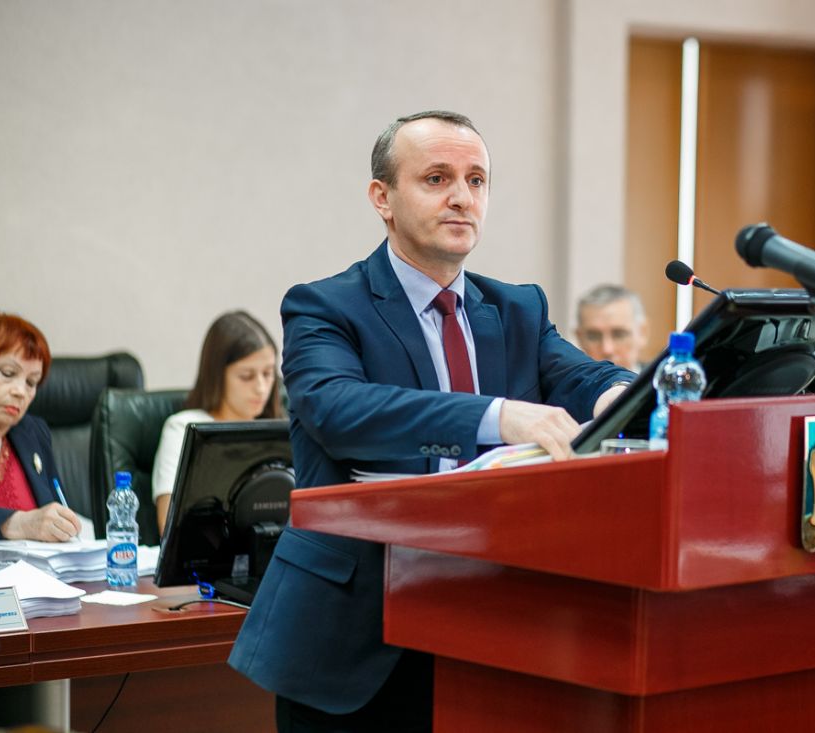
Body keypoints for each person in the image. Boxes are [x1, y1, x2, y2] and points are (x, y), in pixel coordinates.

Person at [228, 110, 635, 733]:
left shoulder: (517, 307)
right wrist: (498, 417)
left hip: (493, 623)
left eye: (477, 180)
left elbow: (582, 376)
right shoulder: (325, 305)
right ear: (382, 198)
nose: (462, 197)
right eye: (437, 178)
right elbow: (338, 409)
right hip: (356, 635)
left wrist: (622, 395)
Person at [152, 310, 283, 536]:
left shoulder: (280, 430)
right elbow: (169, 526)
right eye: (247, 376)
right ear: (217, 375)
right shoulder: (183, 427)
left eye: (268, 373)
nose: (261, 388)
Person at [0, 311, 81, 541]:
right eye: (8, 373)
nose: (20, 392)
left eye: (31, 382)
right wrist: (14, 524)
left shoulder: (33, 433)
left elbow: (56, 514)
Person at [575, 283, 650, 372]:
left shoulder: (660, 379)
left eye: (619, 335)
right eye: (594, 337)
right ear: (579, 338)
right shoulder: (567, 380)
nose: (607, 349)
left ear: (642, 333)